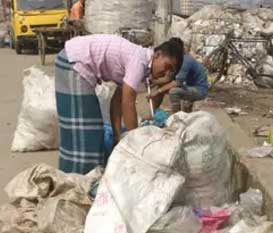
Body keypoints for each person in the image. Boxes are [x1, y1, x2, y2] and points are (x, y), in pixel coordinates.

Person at [55, 34, 184, 174]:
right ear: (157, 54)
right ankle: (79, 177)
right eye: (167, 66)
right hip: (74, 61)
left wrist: (117, 135)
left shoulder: (140, 64)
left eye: (171, 71)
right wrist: (136, 141)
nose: (166, 73)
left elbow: (117, 102)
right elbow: (128, 103)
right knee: (86, 130)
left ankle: (83, 173)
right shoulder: (139, 61)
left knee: (90, 127)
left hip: (72, 59)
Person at [149, 38, 209, 113]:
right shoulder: (177, 61)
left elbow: (177, 82)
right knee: (161, 88)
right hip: (188, 87)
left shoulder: (186, 61)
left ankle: (176, 117)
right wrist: (153, 82)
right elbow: (168, 78)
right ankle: (153, 113)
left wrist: (158, 91)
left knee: (174, 91)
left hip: (199, 90)